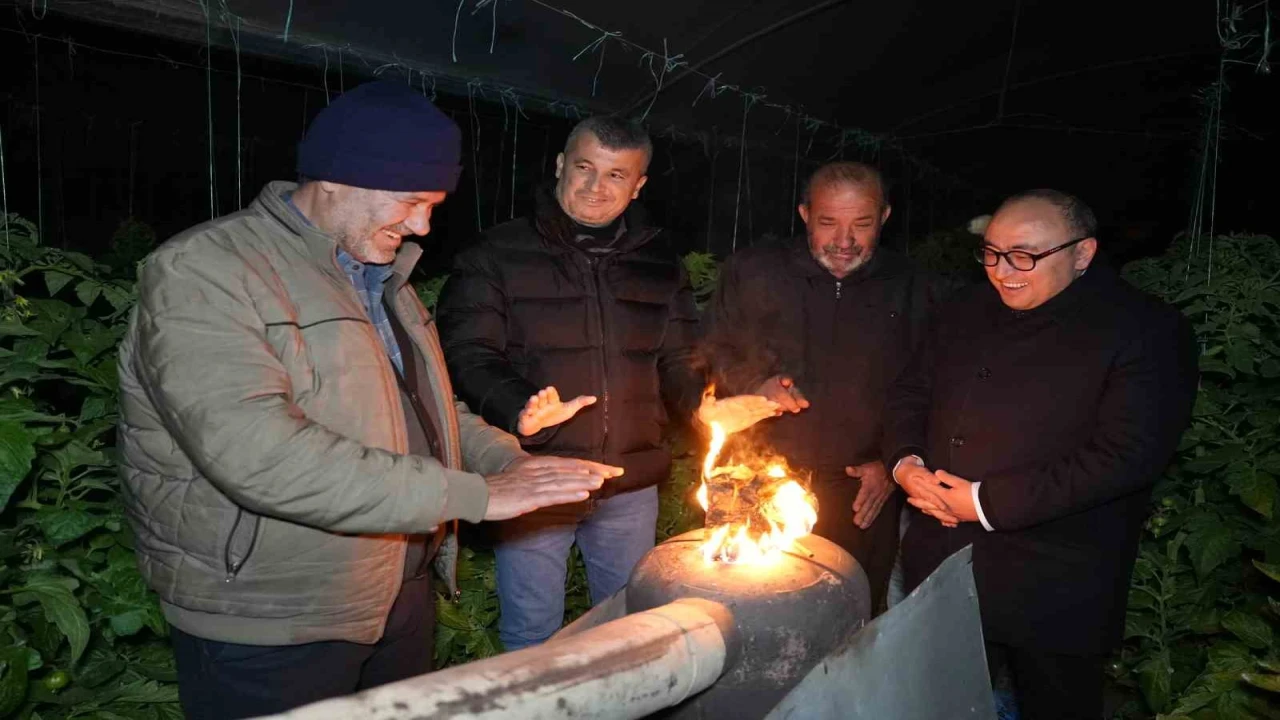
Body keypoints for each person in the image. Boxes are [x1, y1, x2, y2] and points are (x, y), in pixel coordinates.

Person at [116, 81, 623, 720]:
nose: (422, 226)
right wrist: (479, 497)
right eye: (411, 201)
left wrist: (509, 462)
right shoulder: (205, 270)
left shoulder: (385, 279)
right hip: (271, 613)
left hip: (394, 591)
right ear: (336, 179)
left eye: (434, 204)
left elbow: (432, 409)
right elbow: (256, 454)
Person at [436, 116, 775, 650]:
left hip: (629, 482)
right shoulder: (495, 252)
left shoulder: (660, 261)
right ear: (559, 166)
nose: (596, 188)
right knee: (532, 637)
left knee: (626, 627)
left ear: (639, 185)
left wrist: (702, 407)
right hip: (538, 478)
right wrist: (518, 406)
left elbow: (680, 357)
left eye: (617, 175)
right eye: (585, 168)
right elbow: (467, 350)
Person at [884, 189, 1198, 718]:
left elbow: (1128, 455)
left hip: (1056, 578)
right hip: (940, 558)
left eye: (1025, 256)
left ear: (1083, 253)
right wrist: (906, 463)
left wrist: (984, 502)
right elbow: (910, 392)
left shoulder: (1146, 330)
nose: (1003, 271)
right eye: (991, 252)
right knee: (937, 700)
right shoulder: (964, 307)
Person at [702, 161, 937, 609]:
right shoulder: (754, 271)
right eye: (828, 223)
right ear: (805, 214)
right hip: (757, 477)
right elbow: (712, 352)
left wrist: (894, 461)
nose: (844, 241)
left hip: (861, 488)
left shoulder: (912, 286)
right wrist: (756, 386)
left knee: (852, 613)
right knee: (752, 611)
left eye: (861, 224)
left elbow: (929, 386)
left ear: (884, 218)